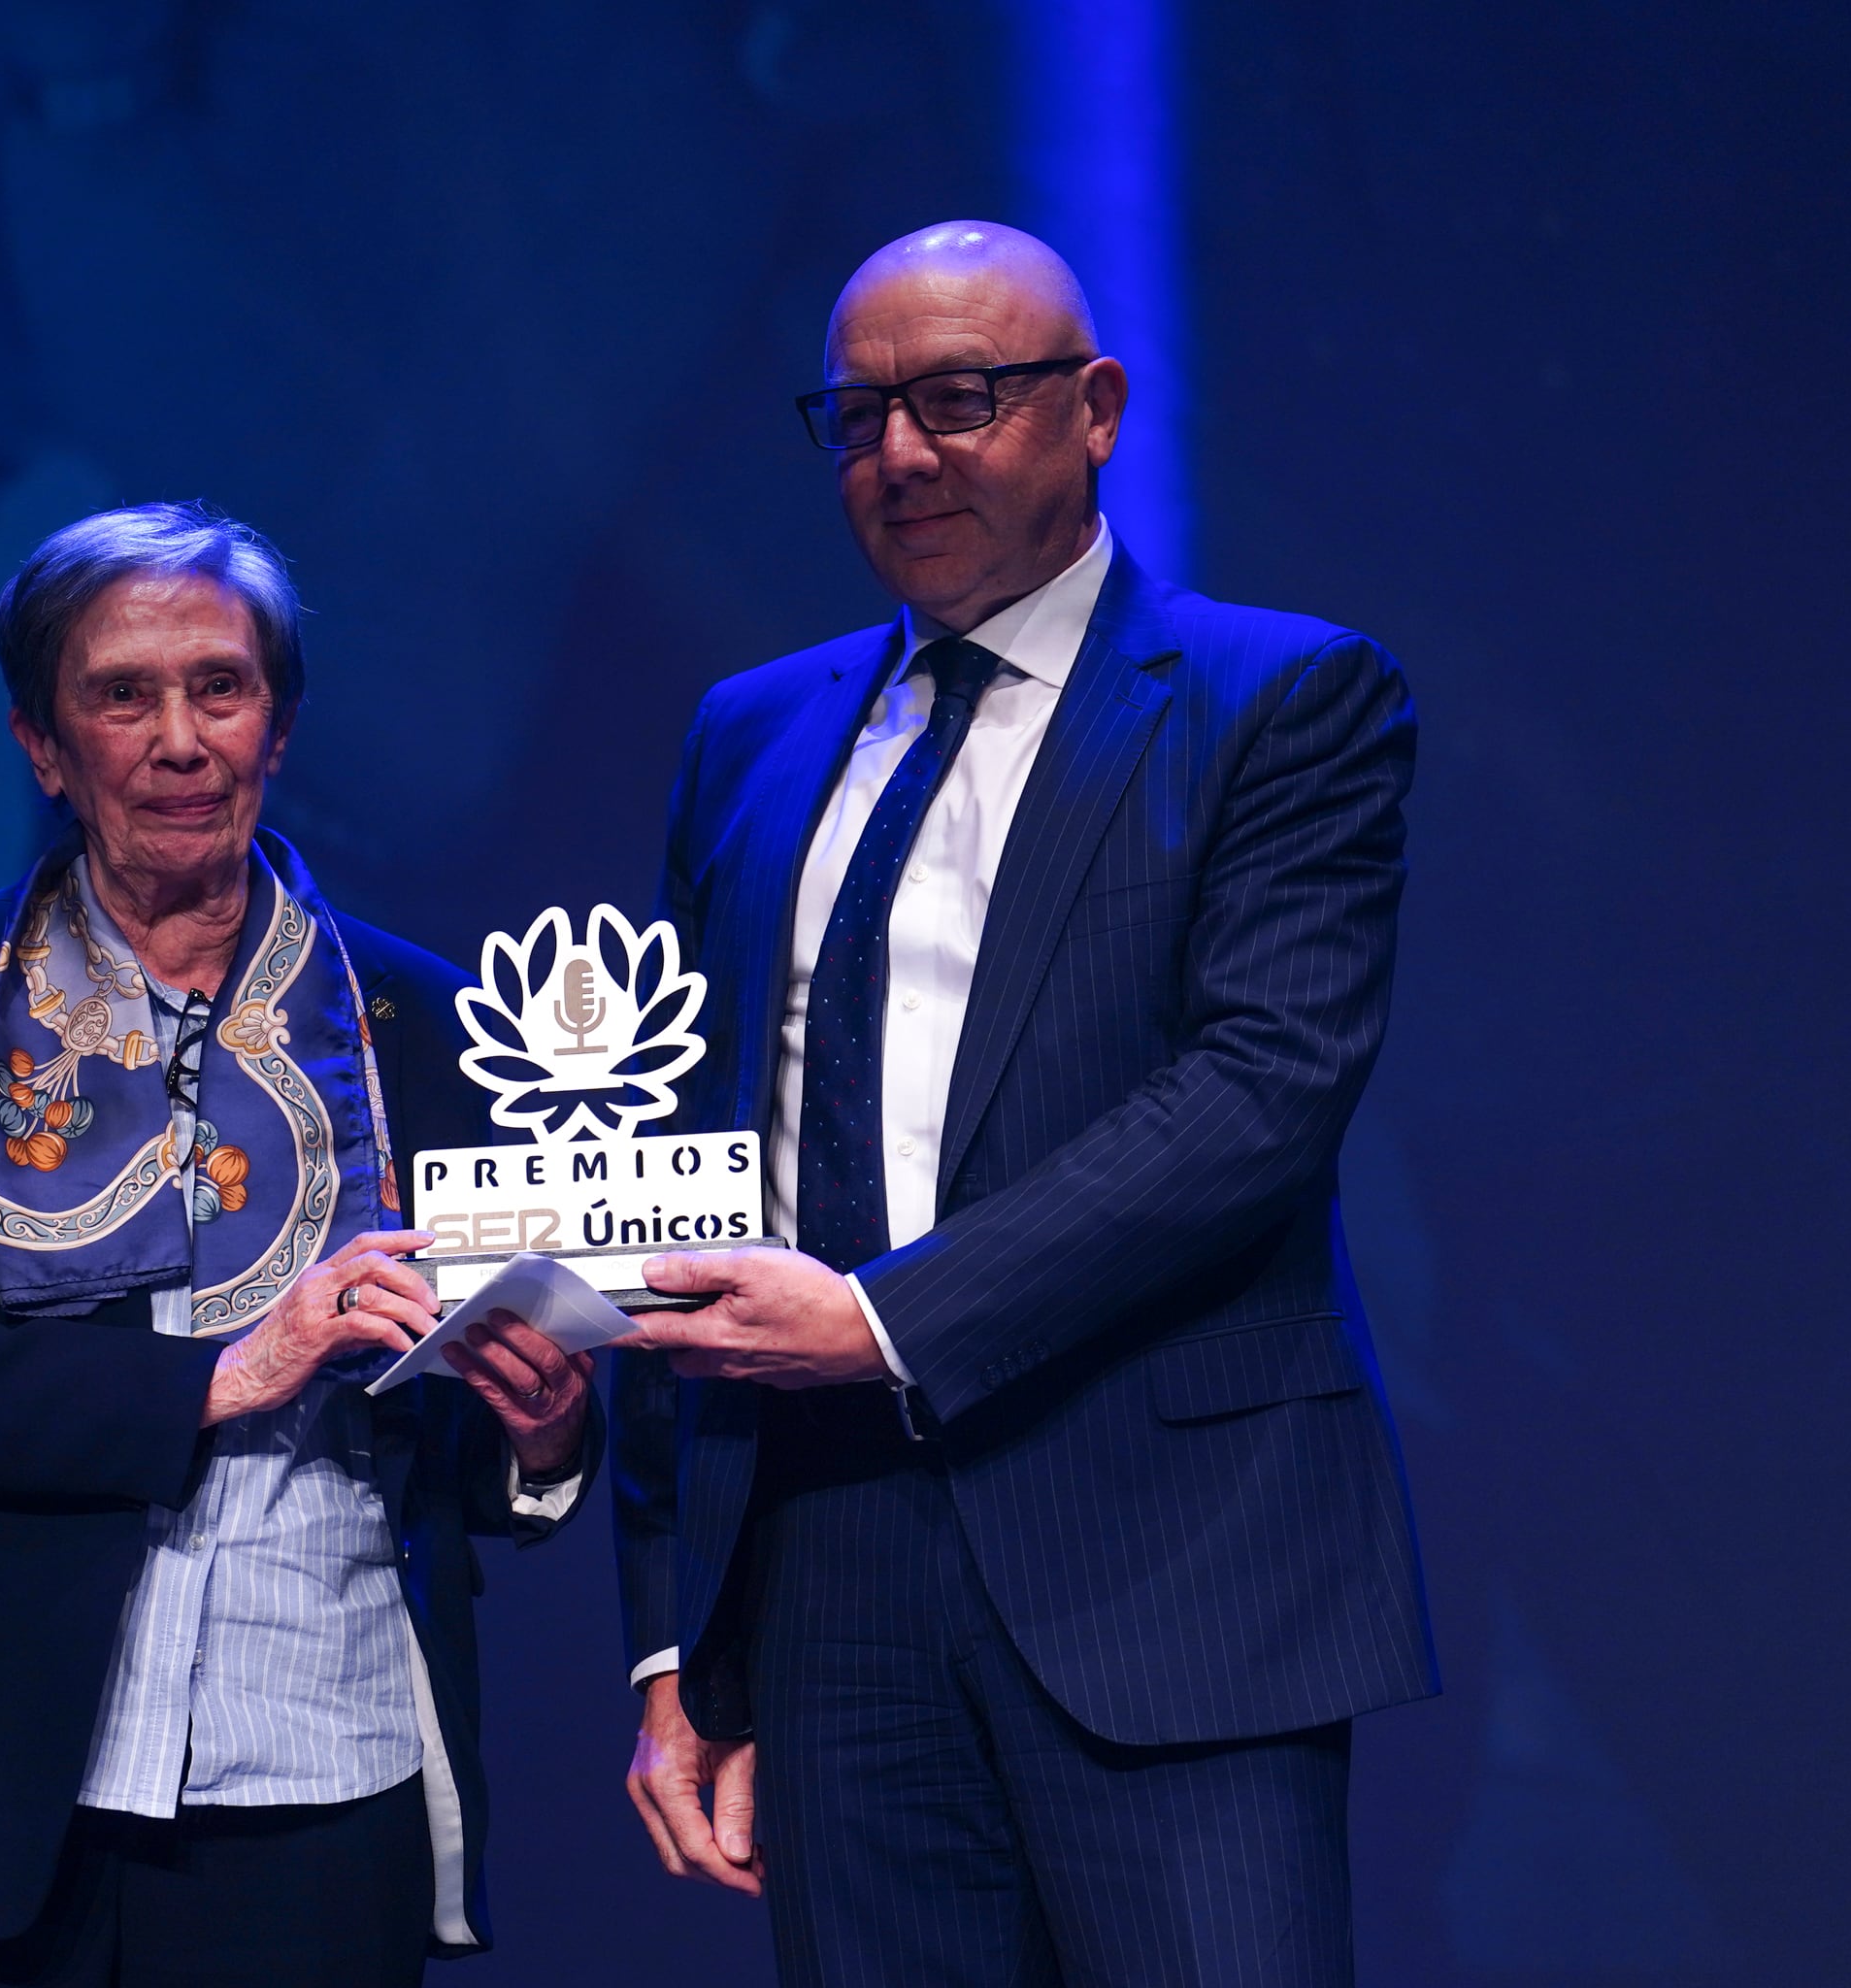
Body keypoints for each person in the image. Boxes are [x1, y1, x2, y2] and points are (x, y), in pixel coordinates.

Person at [609, 223, 1438, 1985]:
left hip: (1173, 1567)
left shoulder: (1276, 697)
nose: (903, 453)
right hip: (827, 1584)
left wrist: (881, 1322)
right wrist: (676, 1637)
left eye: (962, 400)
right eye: (857, 416)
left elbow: (1260, 1090)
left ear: (1099, 410)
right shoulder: (749, 737)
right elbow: (678, 1165)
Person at [0, 503, 597, 1987]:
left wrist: (544, 1432)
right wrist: (227, 1371)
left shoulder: (426, 1020)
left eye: (222, 686)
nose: (179, 739)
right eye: (120, 695)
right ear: (42, 747)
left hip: (318, 1762)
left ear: (280, 725)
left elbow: (465, 1430)